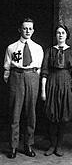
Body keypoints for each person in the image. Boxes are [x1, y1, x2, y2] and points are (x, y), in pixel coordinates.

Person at [3, 17, 44, 159]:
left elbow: (38, 68)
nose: (27, 31)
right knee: (15, 112)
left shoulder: (38, 48)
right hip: (16, 77)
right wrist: (13, 78)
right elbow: (7, 68)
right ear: (20, 29)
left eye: (30, 28)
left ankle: (28, 144)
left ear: (33, 30)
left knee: (30, 112)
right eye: (25, 28)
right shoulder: (11, 47)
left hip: (32, 77)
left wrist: (32, 78)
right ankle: (13, 146)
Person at [41, 24, 72, 157]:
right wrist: (43, 91)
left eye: (63, 32)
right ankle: (52, 144)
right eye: (58, 33)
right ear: (55, 35)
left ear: (67, 35)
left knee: (63, 115)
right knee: (52, 114)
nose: (60, 35)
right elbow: (44, 71)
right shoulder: (49, 51)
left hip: (66, 84)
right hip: (52, 83)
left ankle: (59, 145)